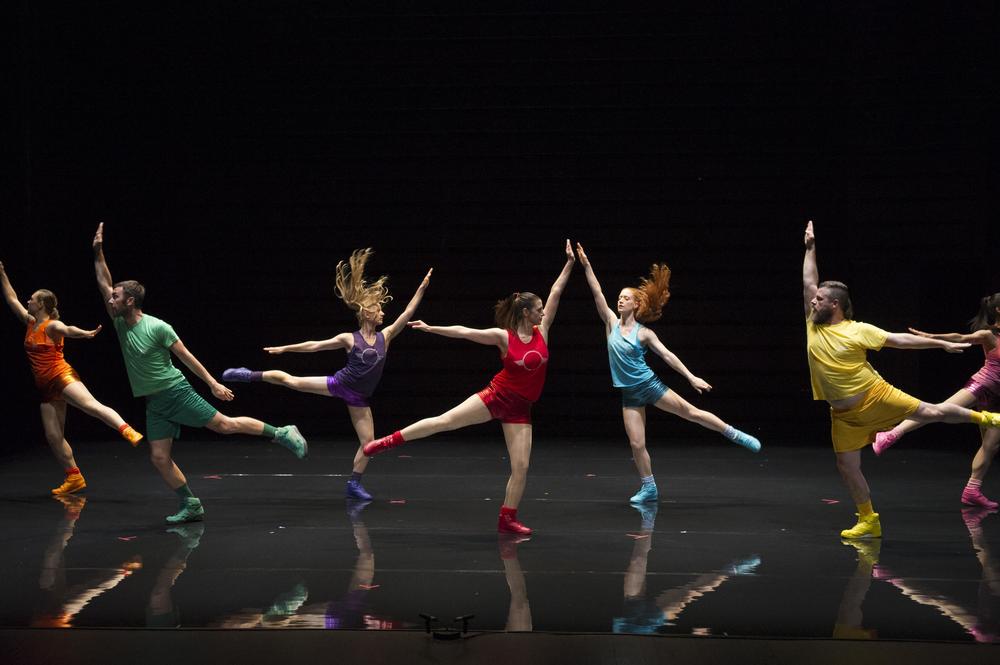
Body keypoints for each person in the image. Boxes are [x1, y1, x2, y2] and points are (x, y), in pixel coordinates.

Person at [92, 223, 307, 524]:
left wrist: (212, 384)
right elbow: (104, 281)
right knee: (159, 458)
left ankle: (281, 432)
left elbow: (186, 357)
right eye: (111, 297)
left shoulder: (157, 327)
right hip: (154, 402)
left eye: (116, 297)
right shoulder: (118, 322)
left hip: (175, 392)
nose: (110, 299)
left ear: (130, 301)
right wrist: (98, 250)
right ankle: (190, 503)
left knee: (225, 425)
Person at [801, 220, 1000, 539]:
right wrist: (810, 248)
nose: (813, 302)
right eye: (814, 299)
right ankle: (868, 520)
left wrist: (941, 343)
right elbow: (809, 282)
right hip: (844, 415)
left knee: (932, 413)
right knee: (846, 466)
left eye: (820, 300)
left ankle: (988, 416)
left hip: (875, 396)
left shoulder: (857, 329)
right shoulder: (813, 324)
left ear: (835, 305)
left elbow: (901, 341)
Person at [363, 240, 577, 535]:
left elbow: (556, 292)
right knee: (444, 422)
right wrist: (431, 328)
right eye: (537, 309)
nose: (542, 312)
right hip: (497, 396)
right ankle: (386, 442)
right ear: (526, 312)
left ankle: (507, 518)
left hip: (521, 409)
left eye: (542, 309)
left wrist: (569, 263)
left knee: (522, 467)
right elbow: (465, 332)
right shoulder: (504, 337)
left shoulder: (544, 329)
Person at [222, 248, 432, 501]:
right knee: (292, 381)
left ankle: (354, 484)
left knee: (369, 444)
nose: (383, 313)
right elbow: (315, 345)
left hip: (360, 399)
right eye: (379, 310)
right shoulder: (349, 338)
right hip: (340, 384)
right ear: (367, 313)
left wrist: (422, 287)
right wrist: (286, 348)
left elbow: (407, 313)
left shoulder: (385, 337)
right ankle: (248, 375)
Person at [575, 243, 761, 505]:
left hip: (649, 386)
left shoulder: (644, 333)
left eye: (625, 297)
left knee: (692, 414)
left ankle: (733, 433)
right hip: (629, 394)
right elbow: (596, 292)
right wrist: (586, 264)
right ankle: (649, 488)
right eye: (618, 297)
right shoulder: (610, 322)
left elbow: (668, 356)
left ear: (636, 304)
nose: (619, 300)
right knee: (637, 445)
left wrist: (691, 377)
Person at [1, 260, 143, 495]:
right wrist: (2, 273)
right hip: (45, 387)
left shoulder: (52, 325)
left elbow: (68, 330)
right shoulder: (30, 322)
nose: (28, 301)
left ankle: (126, 429)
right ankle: (74, 477)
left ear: (42, 304)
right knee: (53, 436)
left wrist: (86, 333)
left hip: (61, 377)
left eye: (32, 299)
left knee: (90, 406)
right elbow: (11, 299)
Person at [871, 297, 1000, 509]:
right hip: (982, 386)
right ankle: (892, 433)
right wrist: (933, 337)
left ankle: (972, 491)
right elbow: (960, 337)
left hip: (998, 398)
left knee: (990, 445)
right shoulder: (989, 334)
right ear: (997, 309)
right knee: (938, 410)